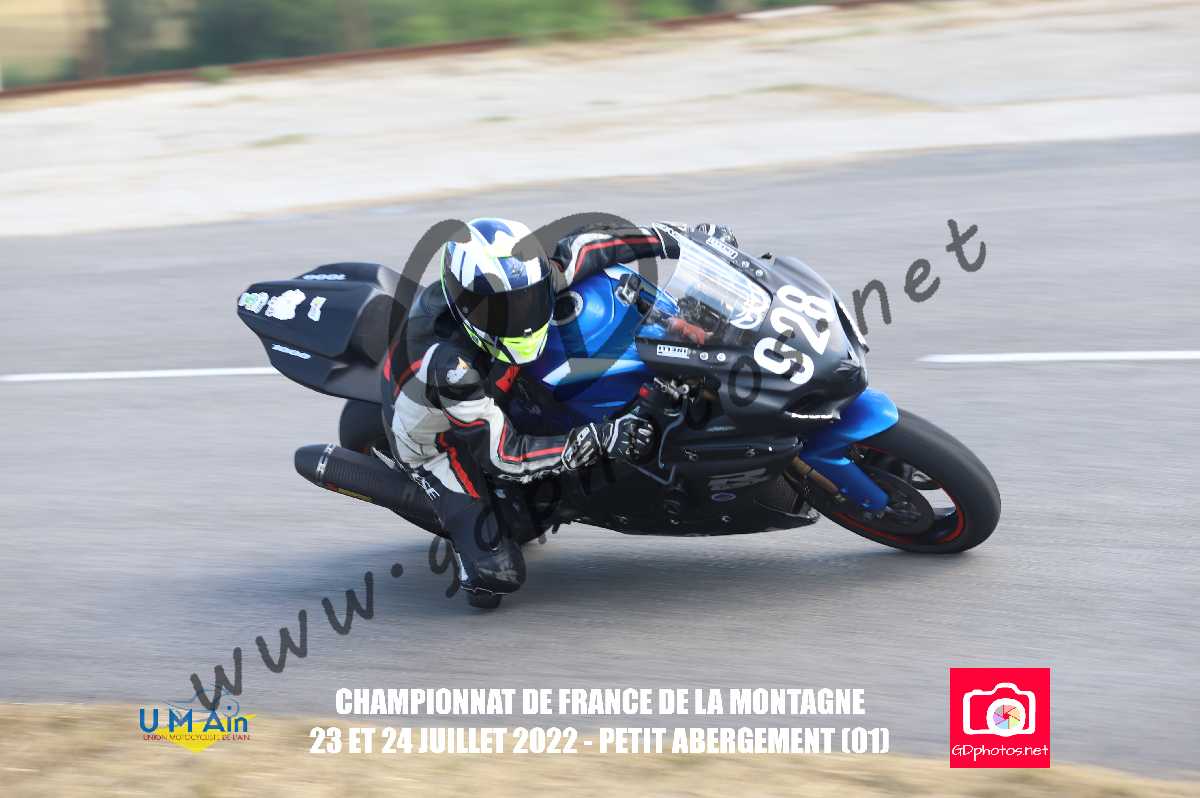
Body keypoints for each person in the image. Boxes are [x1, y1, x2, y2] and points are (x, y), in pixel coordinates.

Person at [383, 218, 735, 603]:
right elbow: (504, 455)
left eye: (527, 300)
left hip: (496, 388)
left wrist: (678, 239)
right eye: (504, 310)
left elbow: (592, 245)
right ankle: (466, 538)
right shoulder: (451, 368)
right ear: (467, 307)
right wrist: (601, 438)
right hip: (435, 441)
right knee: (497, 575)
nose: (521, 317)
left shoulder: (531, 283)